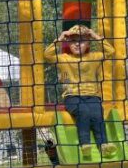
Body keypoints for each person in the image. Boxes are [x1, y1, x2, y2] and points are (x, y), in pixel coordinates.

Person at [44, 25, 117, 160]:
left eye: (82, 41)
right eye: (73, 41)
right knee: (83, 111)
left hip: (92, 96)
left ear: (88, 42)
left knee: (97, 112)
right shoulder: (64, 58)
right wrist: (60, 38)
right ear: (68, 42)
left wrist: (95, 35)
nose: (77, 44)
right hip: (72, 97)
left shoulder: (94, 57)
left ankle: (103, 144)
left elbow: (111, 51)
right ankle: (85, 144)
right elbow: (47, 55)